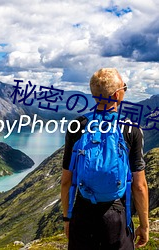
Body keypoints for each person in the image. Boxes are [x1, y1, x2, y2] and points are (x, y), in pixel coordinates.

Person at [61, 68, 149, 250]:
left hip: (83, 213)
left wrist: (67, 218)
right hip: (116, 215)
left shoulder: (78, 125)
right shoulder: (131, 129)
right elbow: (139, 185)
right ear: (117, 95)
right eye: (125, 87)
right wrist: (144, 225)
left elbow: (66, 181)